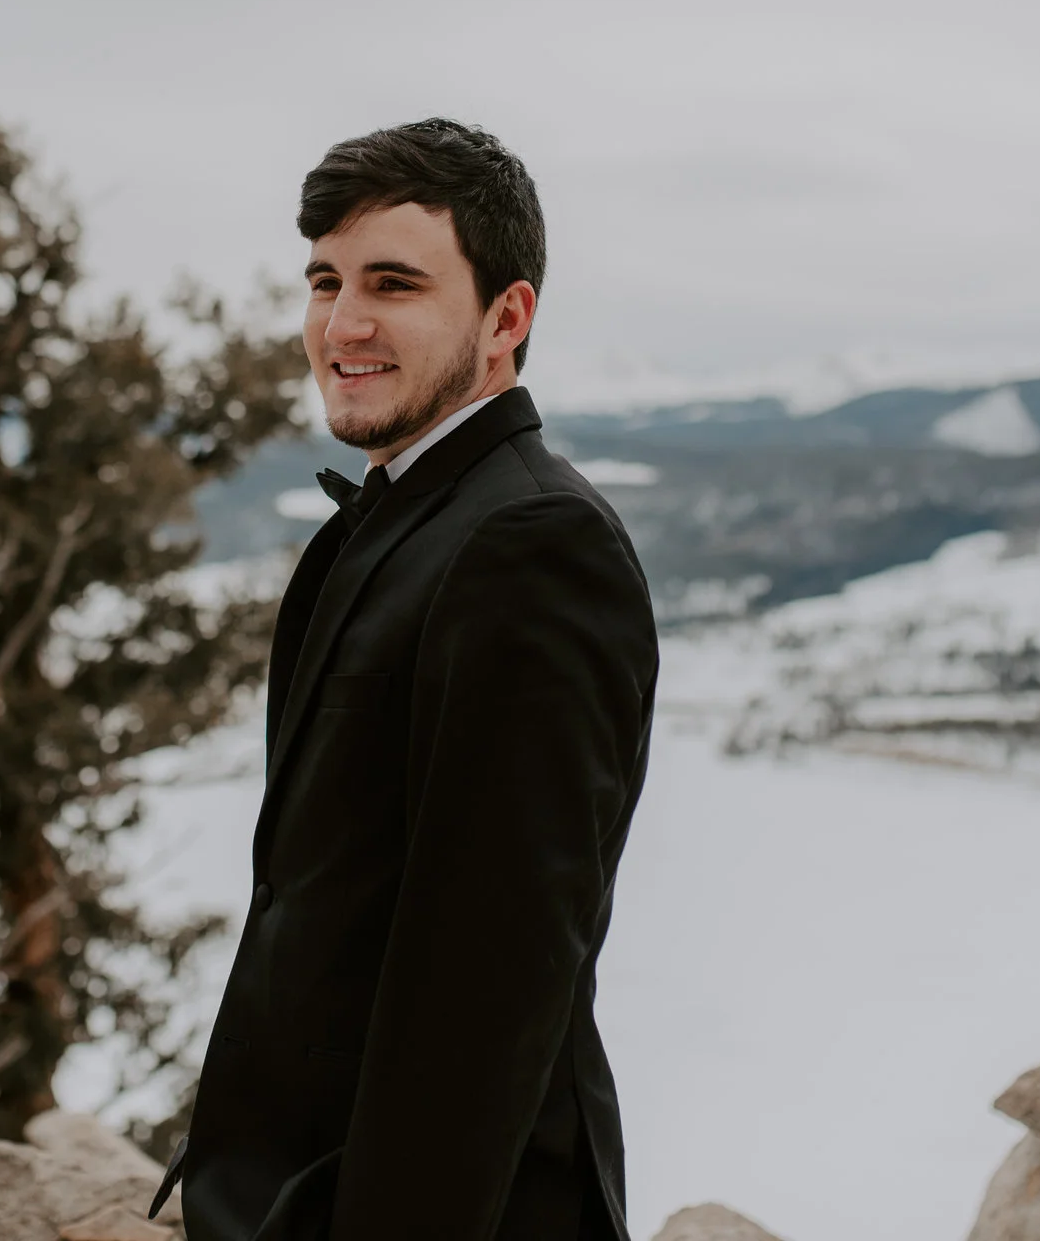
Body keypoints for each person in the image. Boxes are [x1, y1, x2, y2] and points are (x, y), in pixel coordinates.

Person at [154, 119, 661, 1241]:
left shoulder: (532, 544)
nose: (343, 323)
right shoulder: (407, 516)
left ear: (505, 318)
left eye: (393, 283)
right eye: (324, 281)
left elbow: (492, 980)